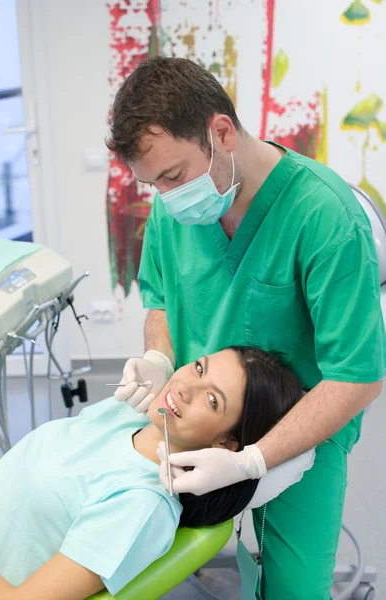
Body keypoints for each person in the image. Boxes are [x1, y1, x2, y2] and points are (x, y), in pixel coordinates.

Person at [107, 56, 386, 599]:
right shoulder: (173, 208)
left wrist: (250, 462)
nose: (165, 196)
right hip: (197, 426)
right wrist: (159, 358)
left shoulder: (324, 218)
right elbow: (162, 298)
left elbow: (356, 375)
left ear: (222, 132)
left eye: (172, 175)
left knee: (292, 588)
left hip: (300, 438)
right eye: (151, 184)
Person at [0, 346, 305, 600]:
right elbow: (16, 469)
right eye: (199, 367)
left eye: (212, 400)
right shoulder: (123, 414)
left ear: (227, 444)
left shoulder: (140, 505)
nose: (184, 388)